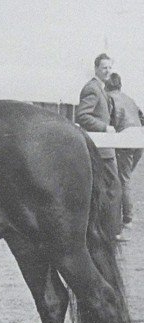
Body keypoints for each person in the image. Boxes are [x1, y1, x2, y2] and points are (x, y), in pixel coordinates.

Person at [76, 53, 122, 238]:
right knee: (113, 188)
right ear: (96, 69)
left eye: (110, 68)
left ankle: (102, 229)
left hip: (106, 149)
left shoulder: (101, 89)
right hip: (100, 150)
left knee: (105, 189)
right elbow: (82, 115)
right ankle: (109, 232)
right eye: (104, 68)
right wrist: (104, 127)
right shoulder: (92, 89)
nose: (108, 71)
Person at [105, 72, 144, 229]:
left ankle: (127, 218)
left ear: (108, 85)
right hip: (139, 139)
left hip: (125, 139)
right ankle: (126, 215)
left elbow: (107, 119)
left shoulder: (109, 98)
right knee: (125, 178)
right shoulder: (130, 99)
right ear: (120, 85)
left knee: (123, 179)